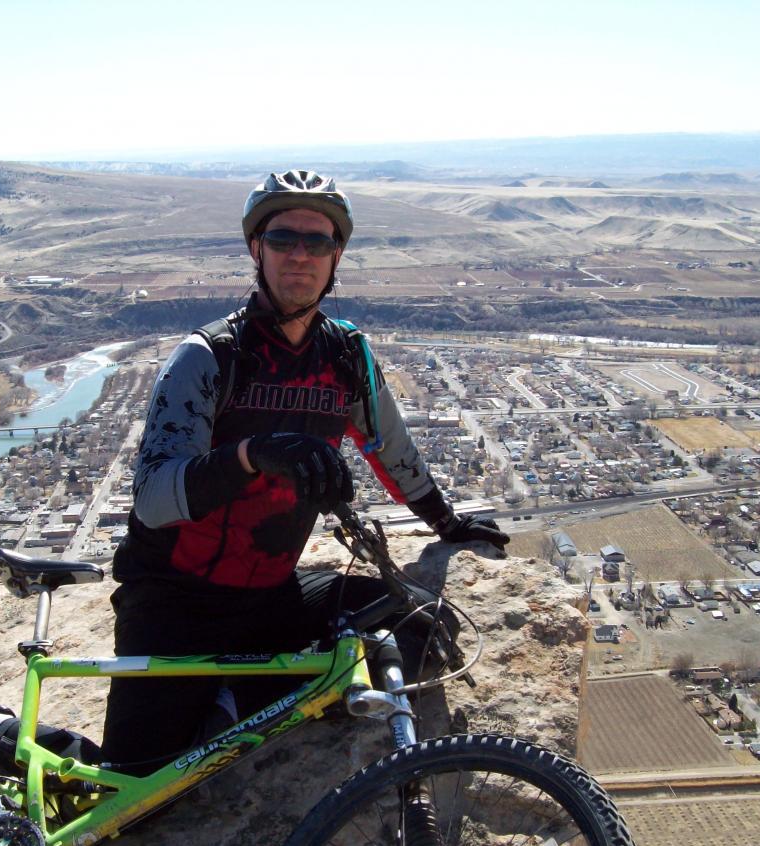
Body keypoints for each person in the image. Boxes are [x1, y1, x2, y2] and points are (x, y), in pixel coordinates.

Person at [100, 169, 509, 774]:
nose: (300, 255)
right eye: (283, 239)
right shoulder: (210, 357)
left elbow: (390, 448)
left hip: (272, 597)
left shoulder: (344, 354)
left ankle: (233, 706)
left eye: (317, 243)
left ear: (336, 255)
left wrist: (446, 524)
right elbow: (155, 499)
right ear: (256, 250)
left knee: (424, 625)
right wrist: (250, 455)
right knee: (132, 794)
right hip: (175, 603)